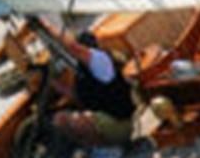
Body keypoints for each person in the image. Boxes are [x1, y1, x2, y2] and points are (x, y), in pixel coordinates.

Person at [33, 17, 136, 148]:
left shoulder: (100, 60)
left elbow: (72, 47)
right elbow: (77, 96)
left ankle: (107, 149)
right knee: (60, 119)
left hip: (121, 124)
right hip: (109, 121)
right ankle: (99, 146)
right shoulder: (83, 71)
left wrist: (47, 25)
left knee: (78, 121)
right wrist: (51, 81)